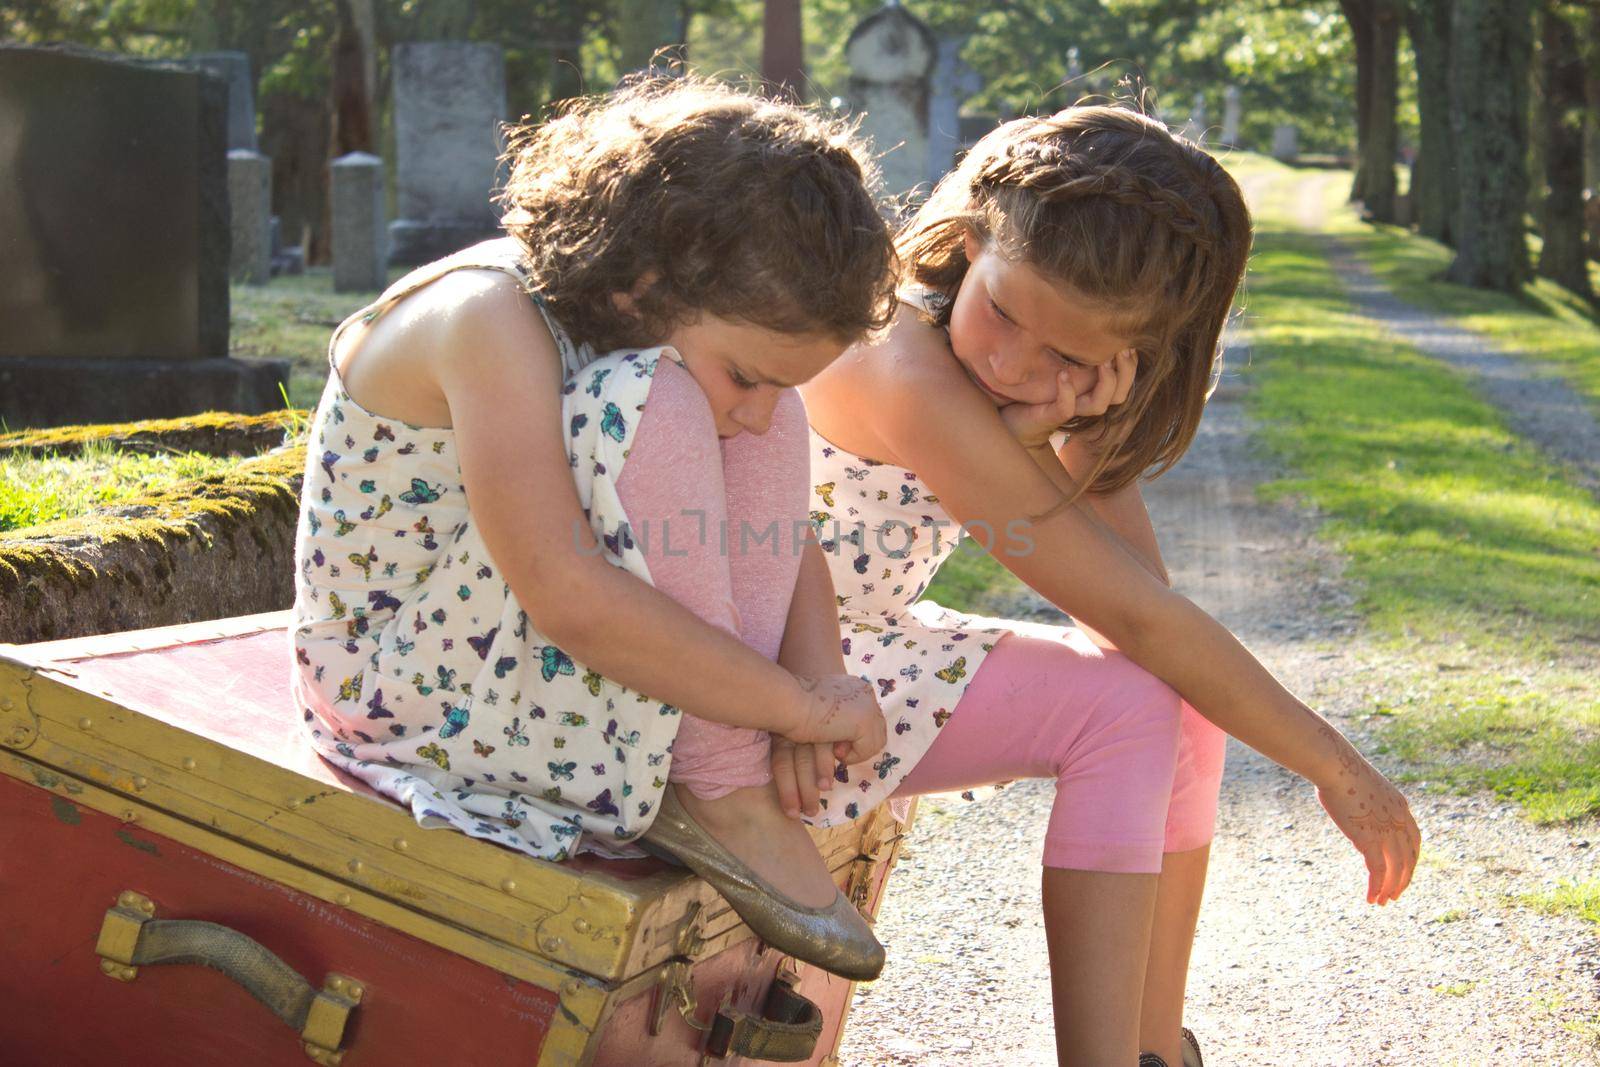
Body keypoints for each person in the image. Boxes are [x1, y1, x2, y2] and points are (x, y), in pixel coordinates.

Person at [682, 105, 1423, 1065]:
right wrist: (1332, 762)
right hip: (768, 667)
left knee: (1176, 706)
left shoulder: (995, 391)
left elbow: (1141, 611)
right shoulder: (903, 360)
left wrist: (1069, 446)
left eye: (1070, 358)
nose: (1014, 362)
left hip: (853, 636)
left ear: (1138, 357)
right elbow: (1135, 615)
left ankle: (1156, 1048)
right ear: (967, 240)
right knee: (1117, 710)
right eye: (1004, 313)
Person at [288, 77, 903, 979]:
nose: (763, 411)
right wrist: (790, 709)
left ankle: (712, 763)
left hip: (509, 658)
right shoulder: (487, 318)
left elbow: (780, 536)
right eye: (749, 372)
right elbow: (564, 589)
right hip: (395, 684)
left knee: (765, 433)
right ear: (647, 283)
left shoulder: (674, 336)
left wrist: (818, 680)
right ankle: (718, 782)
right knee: (655, 403)